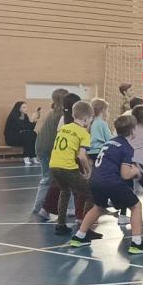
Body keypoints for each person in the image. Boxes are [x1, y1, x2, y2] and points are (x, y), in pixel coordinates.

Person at [67, 115, 143, 255]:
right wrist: (135, 171)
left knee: (98, 207)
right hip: (111, 181)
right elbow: (125, 174)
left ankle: (79, 236)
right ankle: (137, 243)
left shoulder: (109, 143)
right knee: (136, 206)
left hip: (95, 180)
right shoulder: (127, 147)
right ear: (133, 131)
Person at [49, 100, 94, 236]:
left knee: (65, 191)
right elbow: (81, 156)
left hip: (54, 165)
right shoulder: (83, 133)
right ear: (86, 118)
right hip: (67, 167)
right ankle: (85, 228)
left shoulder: (64, 128)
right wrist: (88, 171)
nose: (90, 122)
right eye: (90, 119)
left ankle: (61, 224)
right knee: (91, 193)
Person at [31, 88, 67, 219]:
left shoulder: (52, 113)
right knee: (51, 179)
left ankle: (39, 207)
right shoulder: (62, 115)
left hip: (41, 147)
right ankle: (42, 207)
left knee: (47, 178)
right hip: (49, 149)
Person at [3, 100, 38, 165]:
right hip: (11, 138)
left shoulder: (25, 116)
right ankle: (26, 156)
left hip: (21, 137)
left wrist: (34, 121)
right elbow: (22, 127)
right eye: (24, 107)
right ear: (18, 108)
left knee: (33, 134)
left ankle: (33, 156)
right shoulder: (13, 116)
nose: (26, 109)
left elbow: (30, 128)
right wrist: (32, 119)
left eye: (26, 107)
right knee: (27, 135)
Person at [87, 99, 113, 169]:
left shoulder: (91, 123)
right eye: (107, 110)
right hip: (100, 151)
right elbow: (109, 139)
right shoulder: (102, 123)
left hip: (90, 152)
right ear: (103, 110)